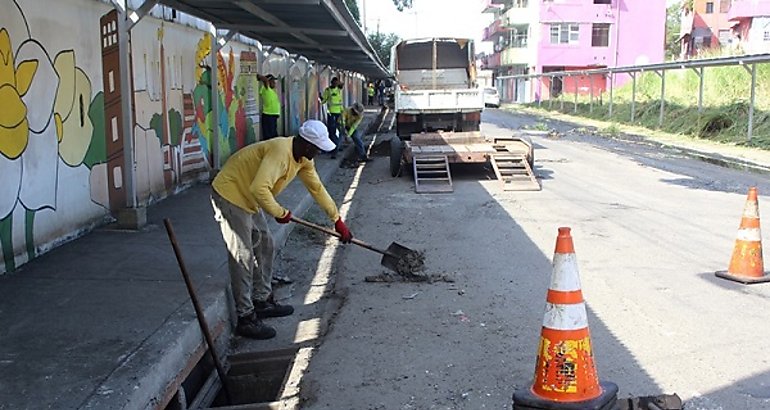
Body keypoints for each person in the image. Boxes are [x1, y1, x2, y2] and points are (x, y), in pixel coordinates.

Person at [210, 120, 354, 339]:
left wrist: (336, 219)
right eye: (317, 148)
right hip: (231, 193)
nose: (318, 153)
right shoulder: (280, 151)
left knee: (265, 244)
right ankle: (246, 317)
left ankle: (262, 300)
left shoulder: (303, 159)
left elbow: (316, 188)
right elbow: (259, 188)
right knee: (243, 255)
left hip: (249, 198)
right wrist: (279, 212)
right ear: (307, 145)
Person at [321, 77, 344, 158]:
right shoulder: (328, 90)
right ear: (331, 83)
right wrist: (321, 98)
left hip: (339, 113)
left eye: (336, 83)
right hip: (331, 113)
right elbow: (324, 100)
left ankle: (336, 146)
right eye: (334, 83)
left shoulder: (338, 89)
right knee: (332, 131)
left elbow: (340, 101)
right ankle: (335, 147)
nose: (336, 84)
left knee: (338, 130)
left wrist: (342, 112)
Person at [257, 73, 280, 140]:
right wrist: (259, 76)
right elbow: (265, 80)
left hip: (273, 116)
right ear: (269, 81)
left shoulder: (271, 91)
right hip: (268, 115)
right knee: (269, 137)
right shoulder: (265, 89)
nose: (274, 83)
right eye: (273, 81)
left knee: (274, 135)